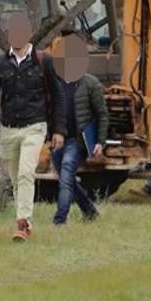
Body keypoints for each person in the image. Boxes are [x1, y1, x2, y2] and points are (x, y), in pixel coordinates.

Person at [0, 12, 65, 242]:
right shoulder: (0, 63)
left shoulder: (44, 61)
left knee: (26, 173)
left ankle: (22, 224)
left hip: (35, 126)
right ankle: (26, 221)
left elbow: (59, 97)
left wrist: (59, 130)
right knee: (16, 179)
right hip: (9, 129)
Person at [50, 33, 108, 225]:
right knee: (68, 180)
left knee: (66, 174)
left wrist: (100, 142)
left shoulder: (90, 83)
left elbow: (102, 114)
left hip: (77, 140)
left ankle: (60, 221)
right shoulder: (55, 81)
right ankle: (90, 212)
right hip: (58, 139)